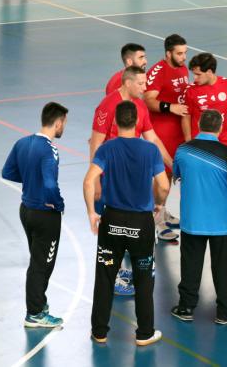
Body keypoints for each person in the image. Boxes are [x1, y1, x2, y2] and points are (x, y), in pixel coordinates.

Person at [84, 100, 169, 346]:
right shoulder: (150, 150)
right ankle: (144, 333)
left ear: (115, 122)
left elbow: (89, 181)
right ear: (138, 123)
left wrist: (91, 212)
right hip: (141, 224)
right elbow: (163, 185)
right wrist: (159, 204)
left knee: (105, 276)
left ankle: (99, 331)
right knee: (144, 279)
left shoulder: (106, 149)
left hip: (112, 223)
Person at [91, 66, 174, 296]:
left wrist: (171, 164)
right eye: (140, 83)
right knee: (111, 230)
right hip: (110, 178)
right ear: (127, 83)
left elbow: (153, 138)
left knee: (131, 226)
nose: (145, 87)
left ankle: (118, 269)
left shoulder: (139, 106)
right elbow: (96, 143)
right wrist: (96, 180)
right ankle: (113, 273)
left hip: (133, 176)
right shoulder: (107, 106)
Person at [170, 110, 227, 325]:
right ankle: (225, 312)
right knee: (223, 268)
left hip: (193, 220)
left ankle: (186, 307)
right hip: (221, 223)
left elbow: (177, 174)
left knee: (190, 264)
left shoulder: (183, 150)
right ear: (221, 128)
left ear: (198, 125)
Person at [2, 102, 69, 328]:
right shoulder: (50, 149)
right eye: (64, 123)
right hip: (45, 215)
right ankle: (35, 313)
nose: (63, 128)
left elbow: (8, 171)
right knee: (42, 265)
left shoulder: (22, 142)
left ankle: (39, 302)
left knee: (37, 260)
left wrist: (31, 182)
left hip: (26, 210)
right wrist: (58, 204)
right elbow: (50, 184)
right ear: (58, 122)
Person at [143, 34, 190, 235]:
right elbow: (148, 100)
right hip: (161, 133)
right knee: (161, 178)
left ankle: (162, 212)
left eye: (185, 53)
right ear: (168, 53)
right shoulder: (158, 71)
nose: (184, 57)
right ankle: (155, 222)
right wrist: (171, 107)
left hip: (178, 132)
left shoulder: (182, 68)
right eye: (179, 53)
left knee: (170, 176)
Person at [181, 53, 227, 148]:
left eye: (198, 74)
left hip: (223, 142)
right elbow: (186, 117)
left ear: (209, 71)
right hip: (199, 143)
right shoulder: (190, 90)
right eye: (194, 74)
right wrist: (188, 142)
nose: (194, 78)